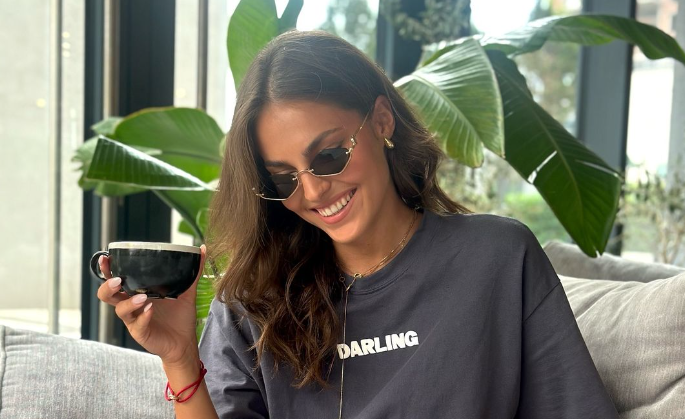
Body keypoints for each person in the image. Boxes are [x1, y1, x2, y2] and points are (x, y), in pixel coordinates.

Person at [96, 30, 619, 419]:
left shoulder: (498, 259)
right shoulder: (252, 300)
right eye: (283, 179)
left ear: (382, 121)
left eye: (328, 156)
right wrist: (181, 359)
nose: (313, 192)